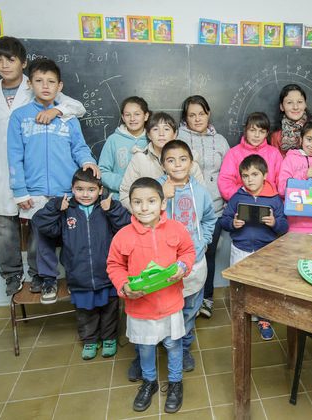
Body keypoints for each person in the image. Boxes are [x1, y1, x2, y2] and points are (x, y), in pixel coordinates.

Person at [0, 36, 85, 296]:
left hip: (41, 173)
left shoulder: (38, 88)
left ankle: (39, 275)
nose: (5, 65)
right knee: (4, 228)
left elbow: (77, 107)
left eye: (11, 59)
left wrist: (57, 112)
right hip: (6, 169)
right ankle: (12, 275)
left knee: (39, 231)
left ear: (23, 64)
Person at [7, 58, 99, 304]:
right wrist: (20, 191)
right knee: (42, 240)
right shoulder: (20, 117)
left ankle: (73, 277)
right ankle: (48, 279)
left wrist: (88, 161)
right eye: (39, 81)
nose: (45, 86)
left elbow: (79, 147)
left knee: (72, 237)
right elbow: (14, 156)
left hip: (65, 191)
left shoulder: (68, 117)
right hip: (35, 192)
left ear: (60, 86)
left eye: (51, 82)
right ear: (30, 83)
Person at [107, 177, 196, 413]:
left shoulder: (177, 228)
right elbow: (114, 265)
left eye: (150, 201)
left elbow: (187, 251)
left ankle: (175, 382)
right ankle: (149, 382)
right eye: (137, 202)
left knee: (173, 345)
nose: (144, 207)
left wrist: (183, 267)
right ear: (131, 205)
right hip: (140, 308)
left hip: (170, 304)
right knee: (145, 348)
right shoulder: (123, 235)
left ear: (162, 204)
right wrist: (124, 286)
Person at [32, 168, 129, 359]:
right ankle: (90, 341)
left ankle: (109, 338)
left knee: (109, 309)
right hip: (79, 275)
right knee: (85, 312)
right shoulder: (66, 210)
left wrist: (114, 210)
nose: (85, 194)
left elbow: (126, 227)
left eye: (91, 189)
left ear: (100, 190)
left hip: (107, 273)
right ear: (72, 189)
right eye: (80, 189)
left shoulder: (107, 208)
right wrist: (54, 207)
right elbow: (40, 223)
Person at [158, 140, 217, 372]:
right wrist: (162, 197)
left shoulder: (201, 192)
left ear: (191, 163)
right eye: (170, 160)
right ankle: (160, 345)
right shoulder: (155, 189)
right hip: (164, 261)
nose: (177, 165)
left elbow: (209, 219)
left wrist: (203, 242)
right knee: (163, 307)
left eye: (183, 159)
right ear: (163, 165)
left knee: (190, 307)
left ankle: (183, 348)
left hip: (194, 260)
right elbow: (145, 218)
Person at [220, 155, 288, 340]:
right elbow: (224, 221)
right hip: (240, 248)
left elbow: (284, 226)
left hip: (265, 251)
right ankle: (241, 313)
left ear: (265, 175)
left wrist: (274, 222)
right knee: (240, 285)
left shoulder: (274, 199)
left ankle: (264, 318)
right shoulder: (237, 197)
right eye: (245, 175)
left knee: (263, 285)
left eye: (254, 174)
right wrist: (233, 223)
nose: (249, 179)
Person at [176, 95, 229, 318]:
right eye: (192, 115)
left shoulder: (222, 141)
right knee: (184, 256)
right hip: (185, 211)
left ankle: (206, 299)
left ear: (208, 114)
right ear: (185, 118)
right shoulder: (178, 138)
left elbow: (229, 174)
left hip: (214, 210)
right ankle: (181, 300)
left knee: (207, 255)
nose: (197, 119)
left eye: (202, 113)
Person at [118, 112, 204, 211]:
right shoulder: (139, 159)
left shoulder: (189, 162)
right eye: (155, 129)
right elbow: (125, 194)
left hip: (184, 220)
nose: (161, 133)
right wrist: (145, 214)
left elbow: (202, 196)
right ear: (149, 135)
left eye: (166, 129)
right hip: (149, 222)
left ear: (174, 134)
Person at [217, 112, 283, 201]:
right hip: (241, 203)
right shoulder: (233, 153)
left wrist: (270, 197)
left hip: (269, 202)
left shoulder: (274, 153)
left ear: (267, 133)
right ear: (246, 130)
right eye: (252, 130)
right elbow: (225, 183)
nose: (256, 135)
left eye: (262, 131)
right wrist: (244, 196)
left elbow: (281, 182)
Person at [98, 96, 150, 200]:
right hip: (119, 200)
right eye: (127, 115)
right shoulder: (113, 140)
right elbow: (102, 171)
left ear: (146, 116)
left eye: (137, 114)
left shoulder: (153, 139)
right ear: (123, 117)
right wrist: (125, 183)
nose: (132, 119)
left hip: (148, 199)